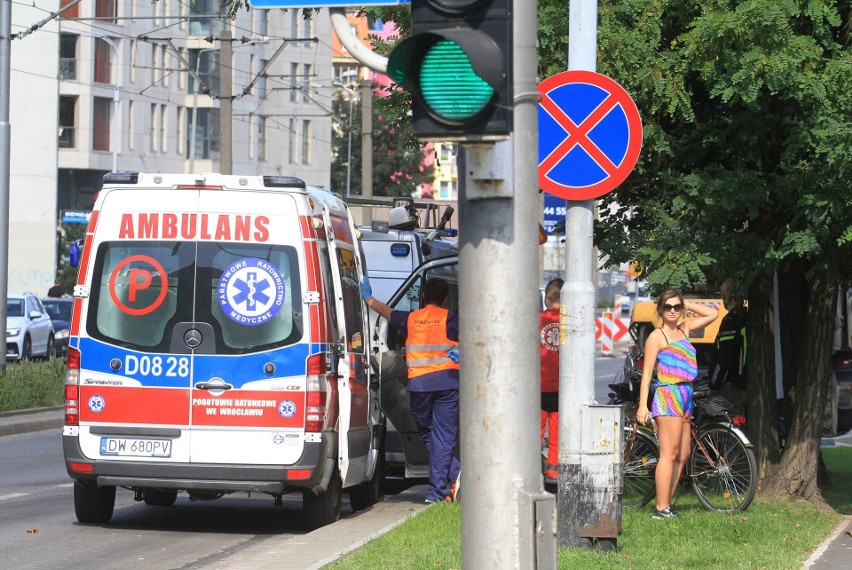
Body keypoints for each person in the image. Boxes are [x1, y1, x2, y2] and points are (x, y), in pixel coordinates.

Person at [362, 275, 461, 503]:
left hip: (420, 386)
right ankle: (452, 477)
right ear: (445, 299)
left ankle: (439, 490)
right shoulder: (451, 319)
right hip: (447, 384)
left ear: (423, 296)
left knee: (428, 433)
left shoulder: (411, 318)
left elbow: (387, 313)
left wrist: (369, 299)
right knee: (443, 438)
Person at [636, 290, 718, 519]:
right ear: (660, 310)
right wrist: (643, 405)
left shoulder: (685, 329)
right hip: (668, 394)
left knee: (684, 452)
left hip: (686, 394)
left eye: (677, 307)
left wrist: (688, 304)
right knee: (669, 453)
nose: (673, 311)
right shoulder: (657, 337)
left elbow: (712, 313)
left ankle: (667, 503)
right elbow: (647, 375)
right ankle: (661, 508)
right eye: (668, 307)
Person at [539, 278, 563, 485]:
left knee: (532, 438)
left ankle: (531, 474)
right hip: (562, 390)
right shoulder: (570, 322)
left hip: (537, 388)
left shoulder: (536, 320)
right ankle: (553, 477)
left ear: (547, 298)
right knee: (556, 438)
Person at [709, 281, 747, 408]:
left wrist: (714, 383)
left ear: (725, 295)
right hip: (747, 383)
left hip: (734, 385)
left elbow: (724, 358)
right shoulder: (748, 316)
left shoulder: (731, 320)